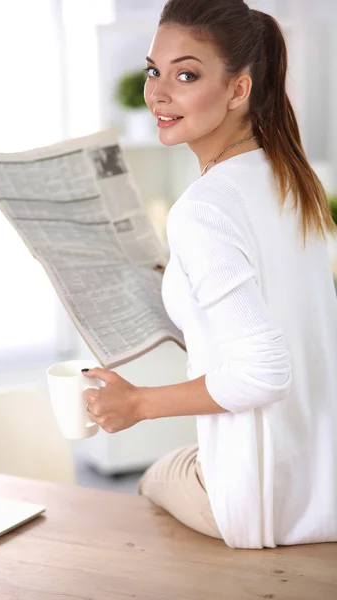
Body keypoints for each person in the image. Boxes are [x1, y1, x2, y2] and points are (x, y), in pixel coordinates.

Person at [82, 0, 337, 549]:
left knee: (153, 481)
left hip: (263, 504)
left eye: (187, 74)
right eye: (155, 70)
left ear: (239, 90)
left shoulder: (204, 209)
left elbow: (264, 374)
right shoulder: (293, 180)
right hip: (323, 482)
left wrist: (136, 404)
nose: (158, 93)